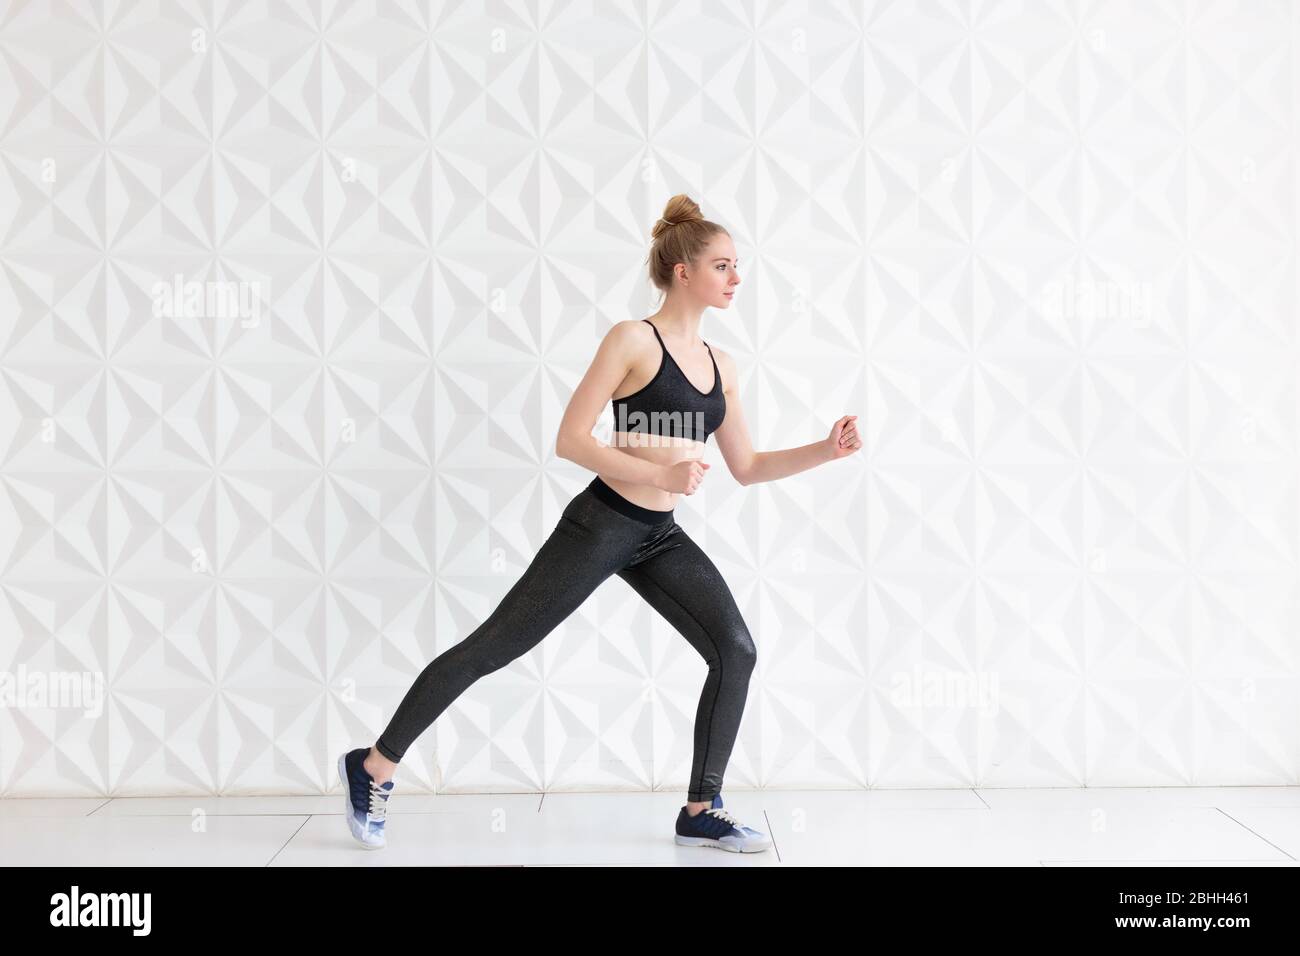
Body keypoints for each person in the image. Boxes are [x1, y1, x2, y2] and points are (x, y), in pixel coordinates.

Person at [338, 194, 862, 853]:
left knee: (736, 649)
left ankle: (703, 807)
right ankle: (372, 766)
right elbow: (571, 439)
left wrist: (826, 448)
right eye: (723, 265)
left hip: (660, 537)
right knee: (496, 645)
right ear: (682, 271)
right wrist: (658, 476)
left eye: (737, 267)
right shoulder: (631, 340)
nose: (736, 278)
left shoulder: (721, 365)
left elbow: (749, 466)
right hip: (603, 524)